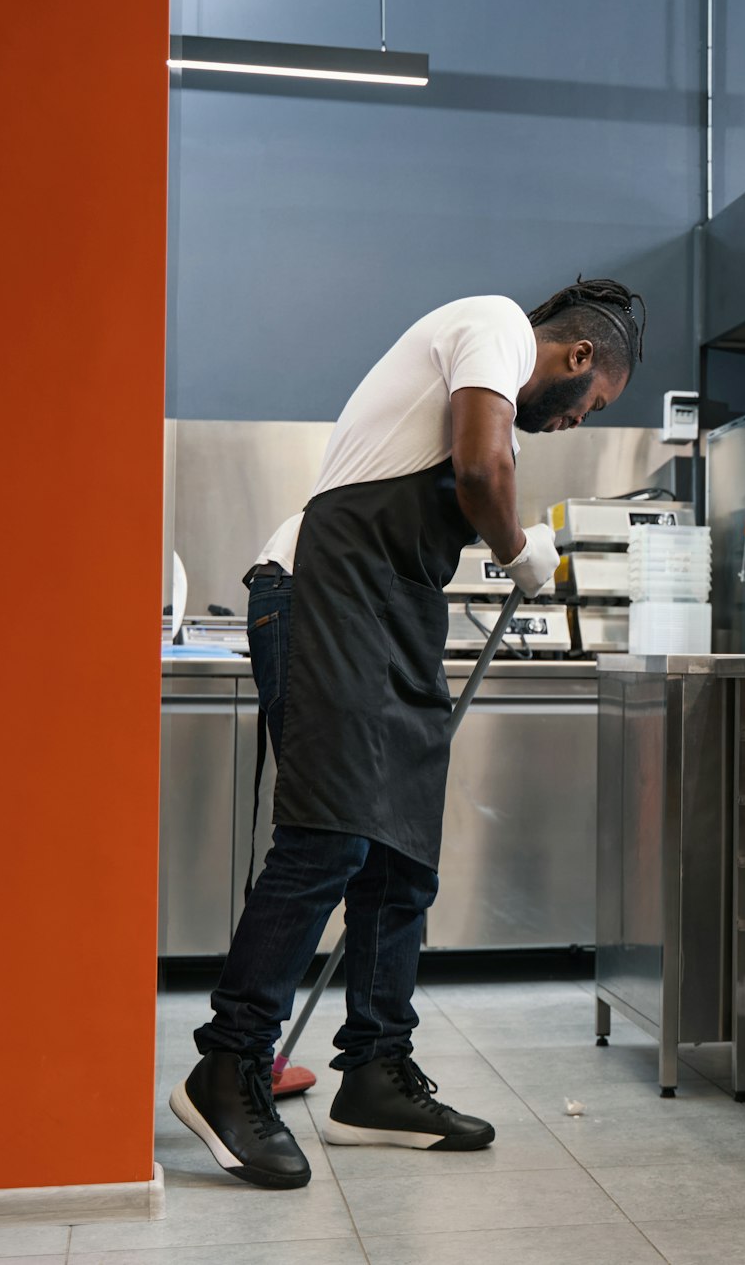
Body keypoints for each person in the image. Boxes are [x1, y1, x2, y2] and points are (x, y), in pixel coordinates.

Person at [171, 279, 644, 1189]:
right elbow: (479, 470)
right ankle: (228, 1063)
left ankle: (374, 1074)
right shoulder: (496, 325)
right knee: (331, 833)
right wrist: (517, 547)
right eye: (594, 405)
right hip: (318, 591)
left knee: (403, 855)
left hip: (389, 608)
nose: (579, 421)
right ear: (579, 357)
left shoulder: (499, 374)